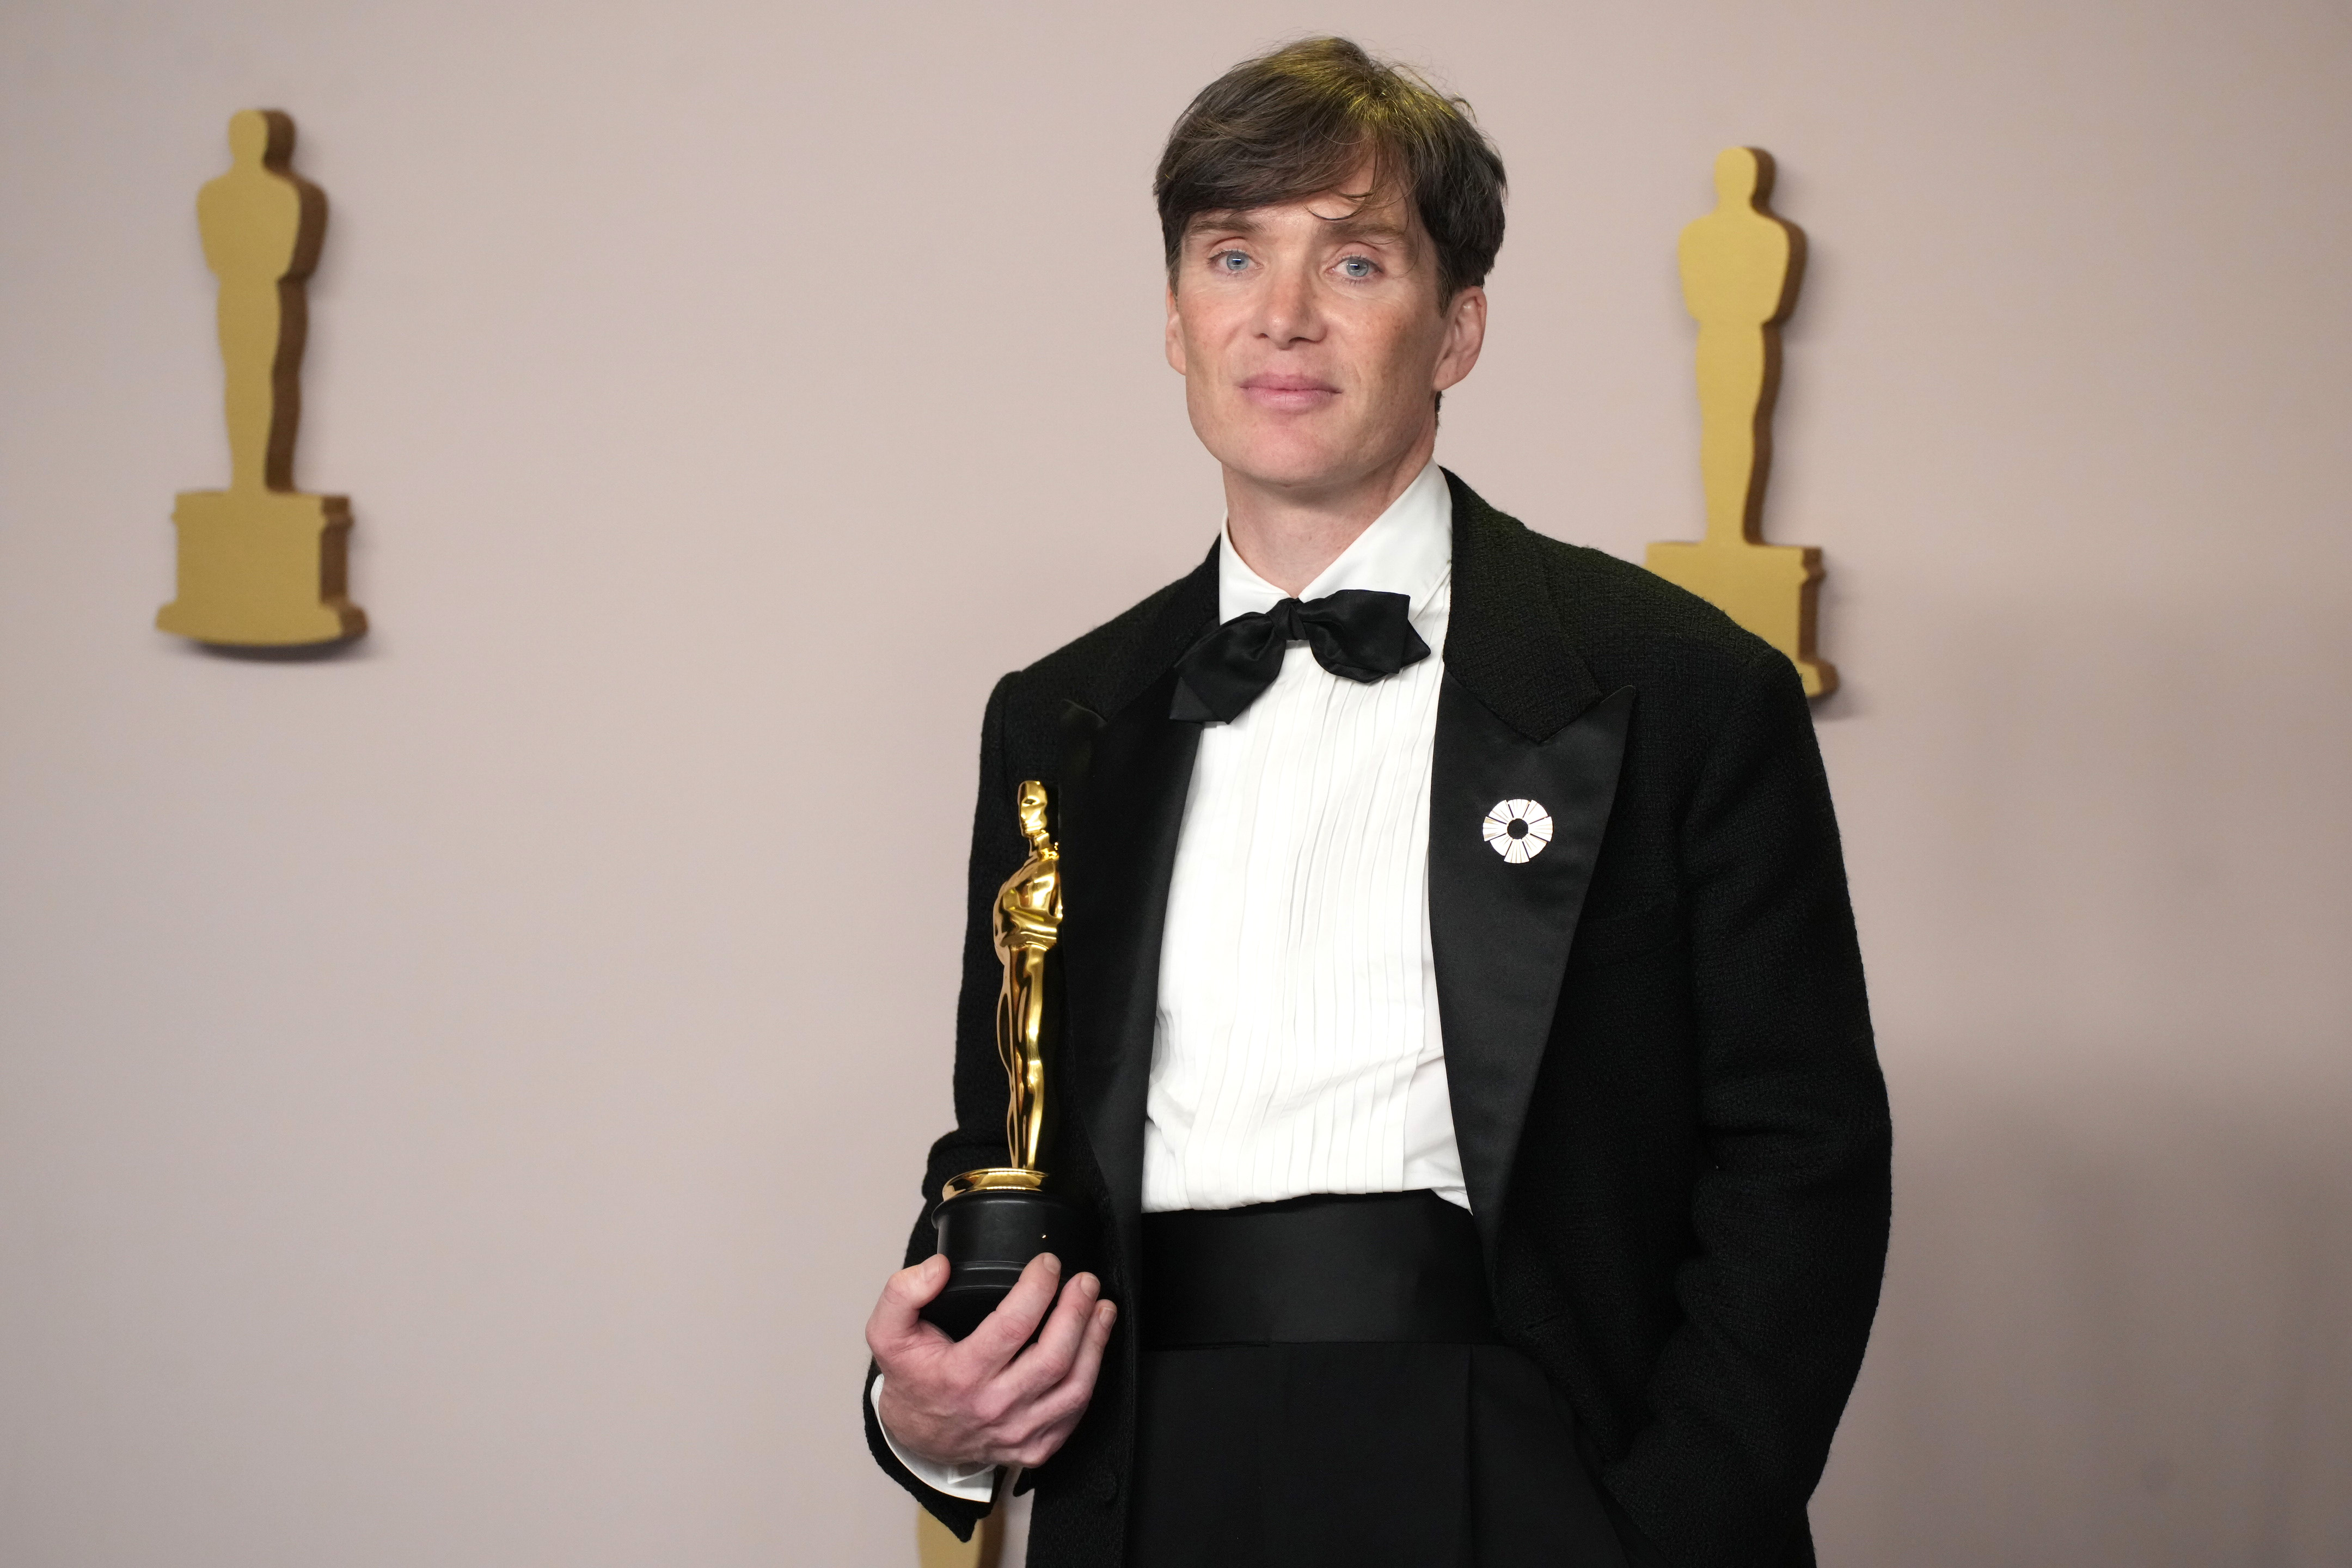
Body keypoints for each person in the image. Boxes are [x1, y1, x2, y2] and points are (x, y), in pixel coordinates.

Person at [862, 37, 1890, 1568]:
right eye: (1232, 257)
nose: (1281, 318)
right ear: (1174, 319)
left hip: (1531, 1470)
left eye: (1354, 261)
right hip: (1149, 1477)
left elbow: (1800, 1157)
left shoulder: (1677, 684)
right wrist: (926, 1420)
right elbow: (1003, 1132)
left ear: (1456, 327)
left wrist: (1660, 1532)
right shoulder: (1059, 719)